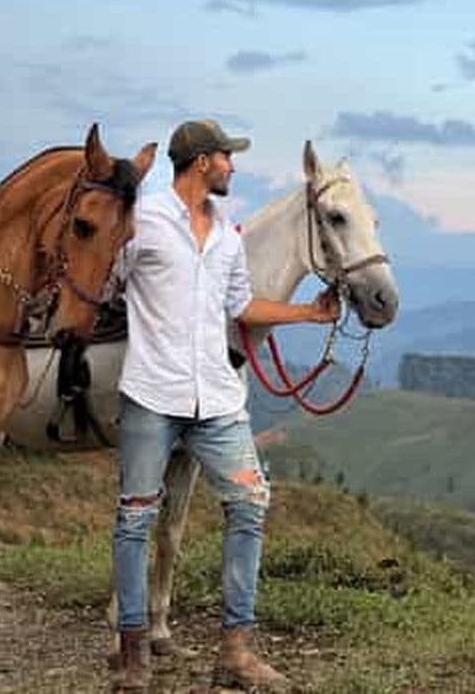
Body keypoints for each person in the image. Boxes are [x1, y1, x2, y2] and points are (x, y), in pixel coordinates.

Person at [111, 119, 339, 692]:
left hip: (216, 397)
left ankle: (236, 651)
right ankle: (133, 653)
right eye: (226, 157)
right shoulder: (143, 221)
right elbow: (106, 281)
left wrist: (309, 314)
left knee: (250, 502)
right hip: (151, 393)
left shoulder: (227, 236)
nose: (233, 166)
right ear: (200, 162)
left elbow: (242, 306)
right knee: (135, 519)